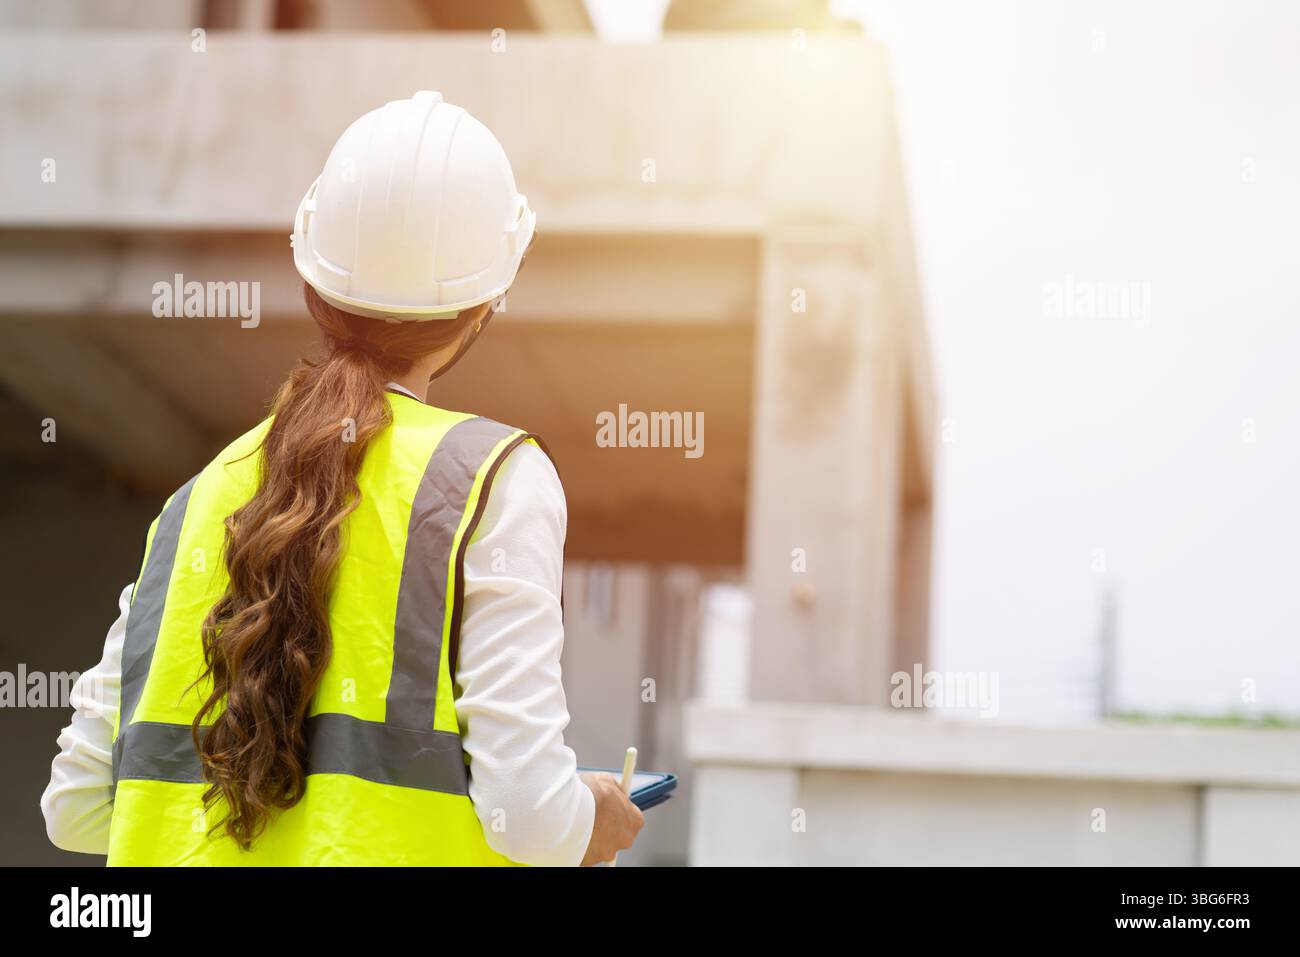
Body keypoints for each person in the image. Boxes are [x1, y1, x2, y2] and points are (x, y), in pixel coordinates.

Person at [40, 91, 643, 866]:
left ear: (311, 284)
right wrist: (586, 819)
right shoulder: (496, 482)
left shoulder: (197, 499)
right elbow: (528, 817)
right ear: (486, 305)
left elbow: (78, 806)